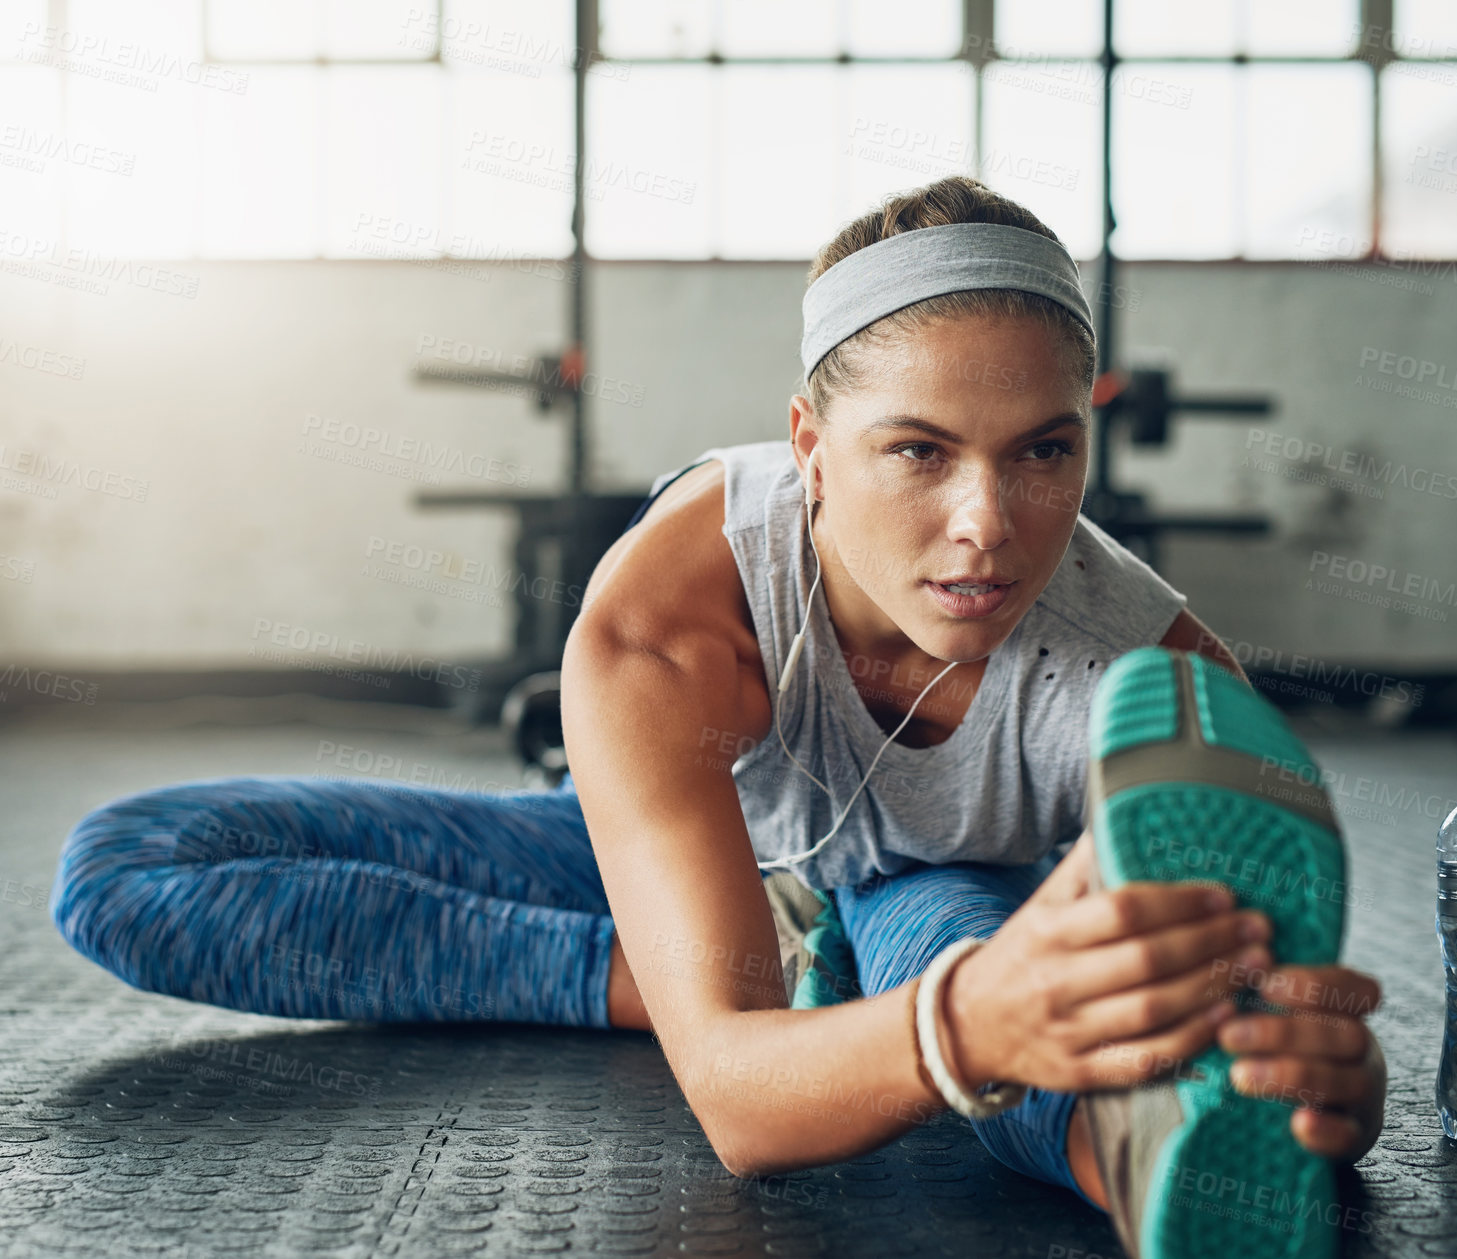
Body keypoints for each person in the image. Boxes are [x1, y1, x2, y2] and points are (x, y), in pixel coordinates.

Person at [51, 175, 1385, 1259]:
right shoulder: (670, 613)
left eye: (1043, 451)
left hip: (945, 899)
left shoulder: (1146, 675)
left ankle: (1112, 1154)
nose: (989, 527)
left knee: (962, 953)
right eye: (917, 451)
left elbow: (1257, 1009)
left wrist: (1322, 1083)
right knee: (129, 872)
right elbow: (743, 1110)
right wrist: (835, 1026)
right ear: (809, 444)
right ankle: (723, 988)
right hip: (693, 861)